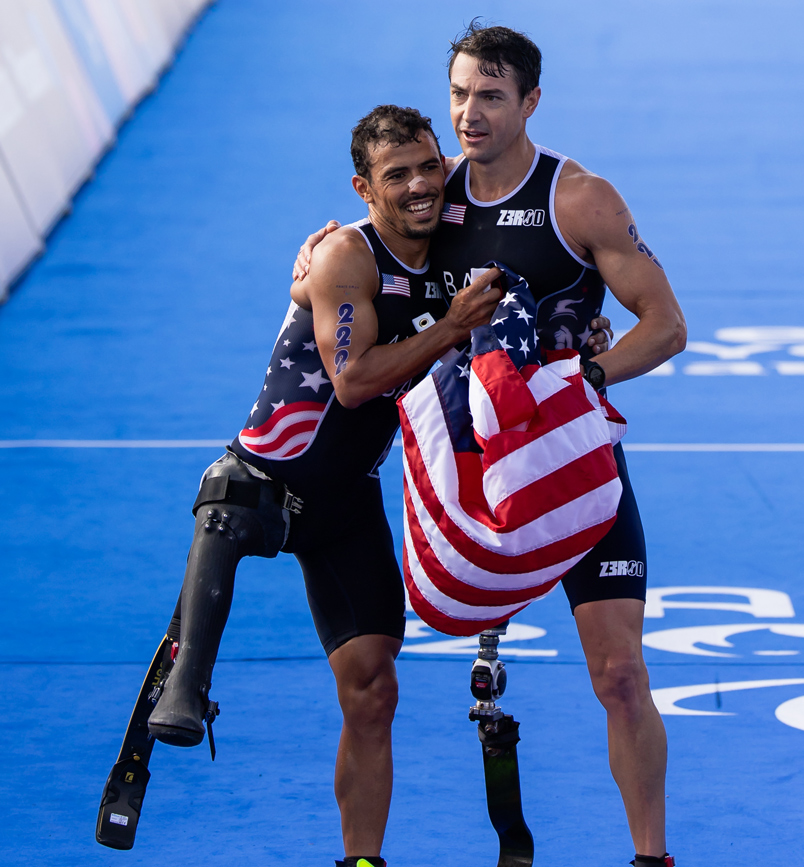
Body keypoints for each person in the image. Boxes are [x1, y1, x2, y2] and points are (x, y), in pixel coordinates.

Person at [145, 104, 610, 867]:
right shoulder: (342, 258)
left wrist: (588, 332)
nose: (423, 185)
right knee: (225, 503)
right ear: (364, 187)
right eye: (399, 176)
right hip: (266, 479)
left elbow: (542, 291)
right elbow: (354, 381)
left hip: (347, 504)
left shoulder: (459, 240)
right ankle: (185, 678)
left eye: (431, 166)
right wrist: (450, 327)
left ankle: (360, 860)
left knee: (373, 691)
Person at [294, 24, 688, 867]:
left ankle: (652, 857)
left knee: (618, 673)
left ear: (531, 103)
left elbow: (666, 327)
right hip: (469, 476)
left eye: (492, 97)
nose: (470, 115)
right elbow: (358, 268)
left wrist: (586, 381)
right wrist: (312, 268)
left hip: (572, 465)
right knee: (373, 682)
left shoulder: (579, 197)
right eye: (460, 95)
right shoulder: (430, 198)